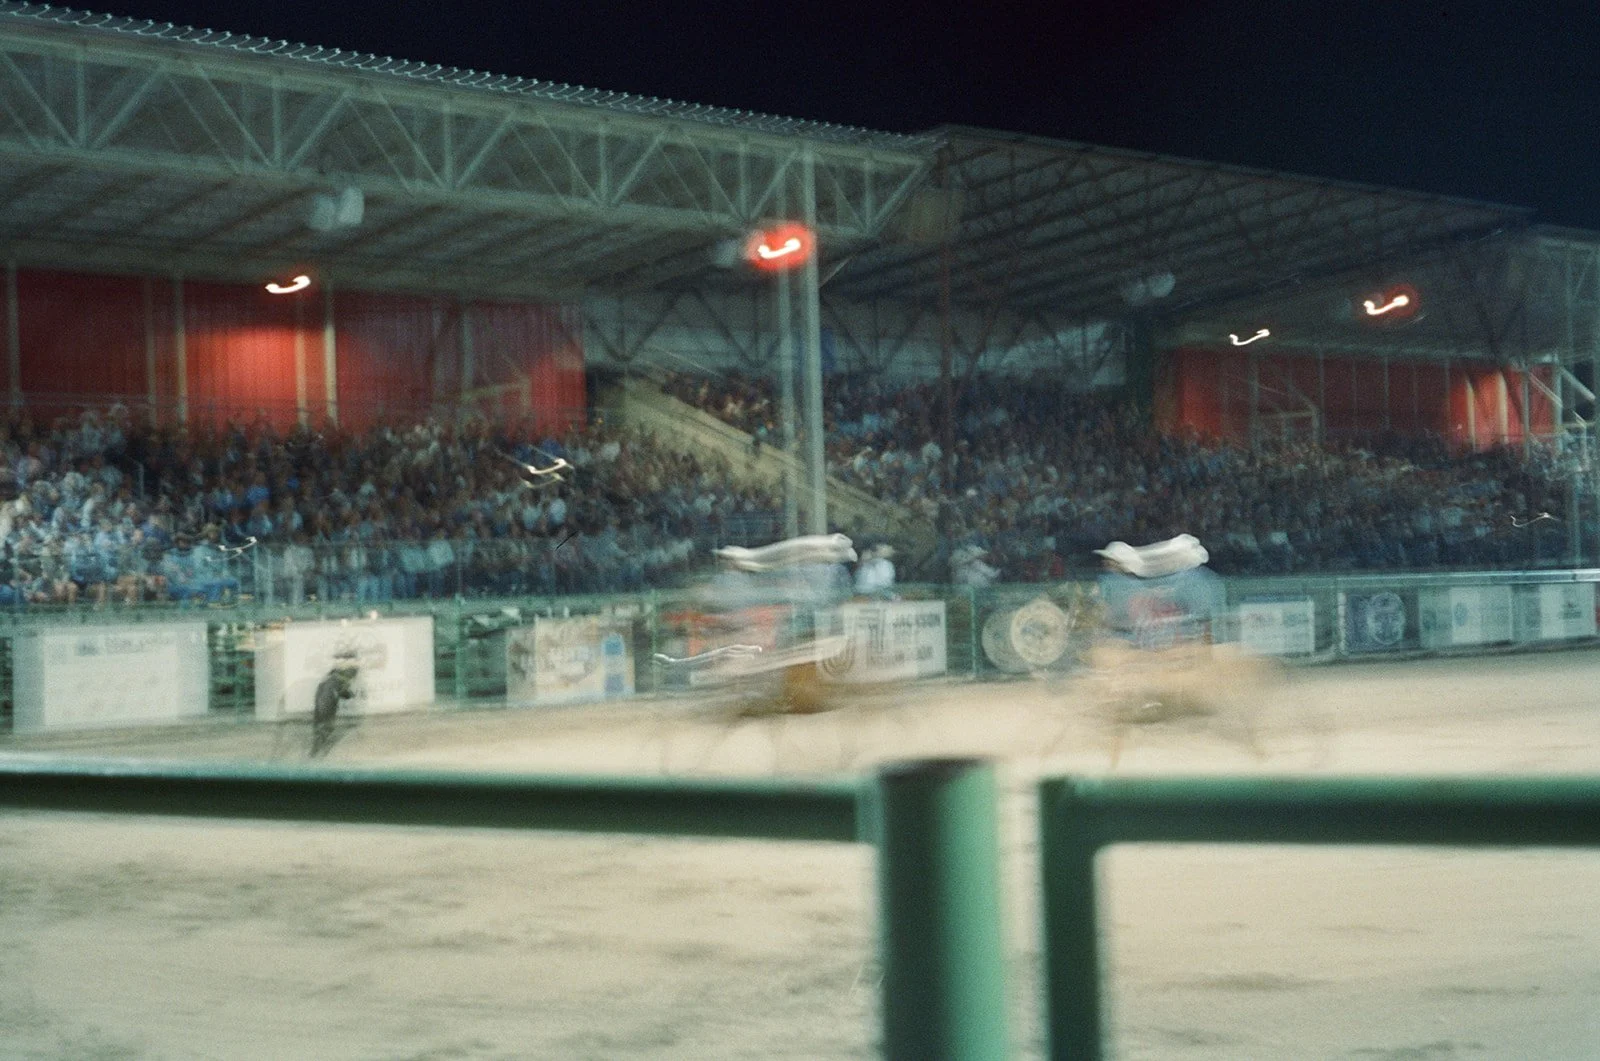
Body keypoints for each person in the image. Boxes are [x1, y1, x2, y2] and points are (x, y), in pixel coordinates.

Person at [310, 651, 360, 758]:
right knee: (326, 725)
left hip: (321, 696)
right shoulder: (346, 673)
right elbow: (343, 691)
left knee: (319, 724)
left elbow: (339, 687)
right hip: (327, 698)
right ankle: (320, 751)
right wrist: (351, 695)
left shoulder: (335, 671)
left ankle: (316, 750)